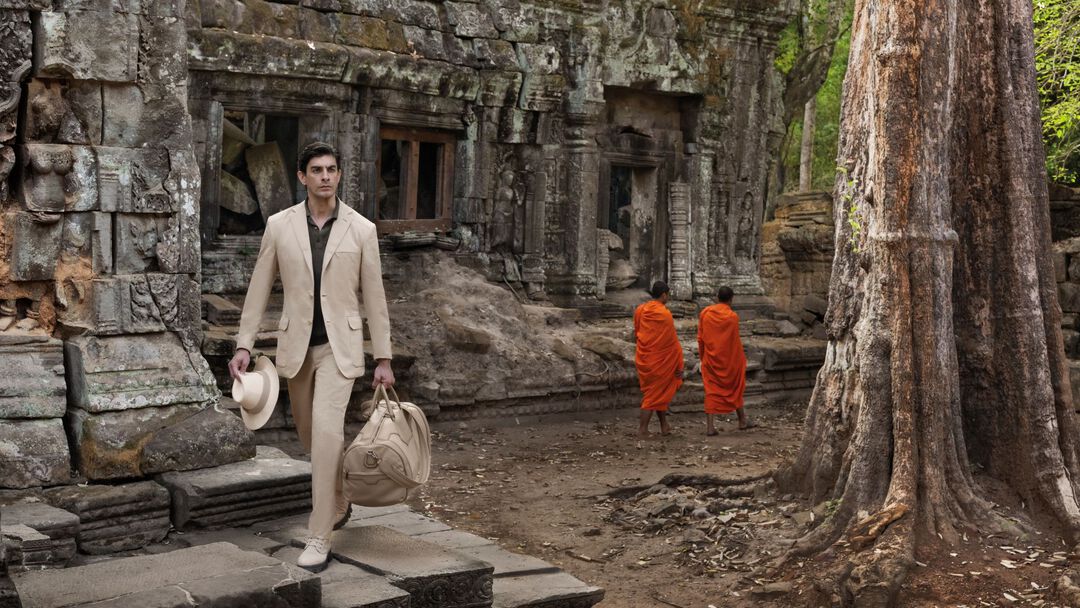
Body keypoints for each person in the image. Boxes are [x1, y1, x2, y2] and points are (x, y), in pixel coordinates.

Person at [228, 142, 394, 573]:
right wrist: (244, 343)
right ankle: (337, 491)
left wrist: (384, 357)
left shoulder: (362, 229)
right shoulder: (279, 226)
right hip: (296, 348)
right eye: (317, 170)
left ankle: (319, 535)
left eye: (332, 169)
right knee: (309, 436)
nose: (325, 176)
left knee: (326, 435)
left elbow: (375, 298)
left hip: (340, 350)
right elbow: (259, 287)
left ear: (339, 175)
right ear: (302, 177)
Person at [697, 286, 752, 435]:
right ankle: (741, 420)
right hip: (730, 361)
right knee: (735, 388)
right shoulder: (732, 317)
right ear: (731, 299)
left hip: (711, 359)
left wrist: (703, 358)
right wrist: (740, 360)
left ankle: (710, 427)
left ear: (717, 297)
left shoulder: (705, 313)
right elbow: (734, 342)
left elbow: (701, 338)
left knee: (711, 391)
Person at [633, 281, 684, 438]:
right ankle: (642, 429)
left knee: (658, 392)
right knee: (653, 395)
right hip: (661, 359)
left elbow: (637, 332)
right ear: (664, 295)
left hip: (645, 357)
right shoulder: (664, 314)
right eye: (667, 295)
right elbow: (671, 341)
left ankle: (664, 426)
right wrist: (679, 363)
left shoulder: (640, 310)